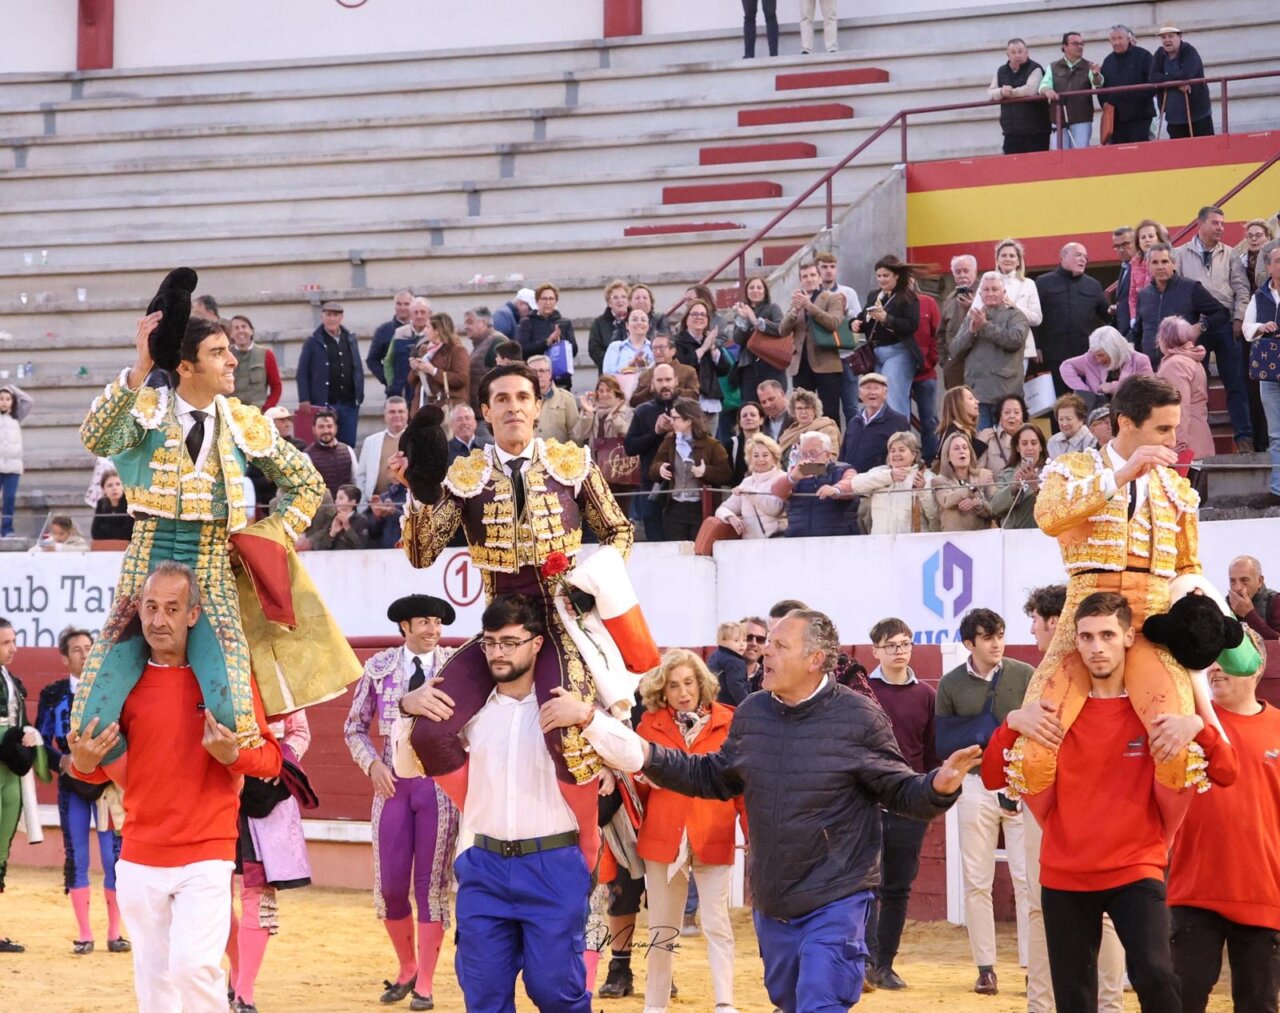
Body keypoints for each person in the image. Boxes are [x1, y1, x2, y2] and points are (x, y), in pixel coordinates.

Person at [637, 607, 979, 1012]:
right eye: (768, 643)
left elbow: (899, 789)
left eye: (780, 645)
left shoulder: (859, 717)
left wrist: (937, 786)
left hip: (838, 894)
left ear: (815, 659)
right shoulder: (753, 713)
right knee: (789, 1000)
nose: (765, 652)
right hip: (774, 899)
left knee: (820, 1001)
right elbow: (713, 775)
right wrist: (645, 754)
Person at [73, 298, 342, 772]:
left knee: (234, 719)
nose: (233, 358)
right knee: (89, 723)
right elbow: (95, 438)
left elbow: (307, 485)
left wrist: (267, 540)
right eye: (218, 352)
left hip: (212, 570)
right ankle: (140, 794)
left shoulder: (243, 421)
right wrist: (140, 367)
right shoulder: (148, 408)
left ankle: (217, 810)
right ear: (186, 365)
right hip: (146, 569)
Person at [396, 362, 636, 831]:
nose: (513, 408)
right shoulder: (464, 476)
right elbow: (422, 554)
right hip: (498, 632)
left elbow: (619, 531)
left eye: (522, 398)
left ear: (538, 407)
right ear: (486, 410)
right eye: (502, 399)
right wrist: (420, 494)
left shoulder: (574, 464)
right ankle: (487, 827)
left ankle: (583, 859)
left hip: (561, 623)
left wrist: (594, 579)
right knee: (430, 732)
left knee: (569, 734)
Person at [985, 592, 1236, 1013]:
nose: (1096, 647)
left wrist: (1198, 724)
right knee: (1074, 997)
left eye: (1106, 635)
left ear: (1127, 637)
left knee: (1157, 977)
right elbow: (993, 775)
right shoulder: (1053, 711)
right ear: (1075, 642)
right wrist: (1012, 722)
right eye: (1086, 637)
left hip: (1136, 869)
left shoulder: (1157, 710)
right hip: (1065, 875)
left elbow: (1228, 772)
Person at [404, 594, 645, 1012]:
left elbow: (635, 757)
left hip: (552, 863)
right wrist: (407, 707)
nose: (498, 653)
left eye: (510, 642)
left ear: (536, 644)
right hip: (483, 865)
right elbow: (406, 766)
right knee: (483, 996)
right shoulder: (470, 716)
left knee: (556, 993)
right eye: (491, 642)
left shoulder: (567, 709)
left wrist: (587, 717)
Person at [67, 562, 283, 1012]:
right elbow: (94, 768)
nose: (158, 620)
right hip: (141, 851)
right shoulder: (121, 687)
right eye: (150, 607)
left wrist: (233, 756)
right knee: (154, 980)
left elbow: (270, 759)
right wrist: (83, 766)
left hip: (207, 851)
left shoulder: (226, 683)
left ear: (192, 614)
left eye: (171, 608)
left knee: (193, 967)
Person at [1008, 375, 1211, 833]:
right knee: (1034, 753)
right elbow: (1048, 517)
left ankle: (1158, 849)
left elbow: (1188, 567)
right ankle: (1063, 840)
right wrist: (1121, 474)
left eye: (1174, 429)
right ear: (1125, 423)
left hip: (1154, 624)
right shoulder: (1074, 468)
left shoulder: (1179, 491)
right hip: (1085, 621)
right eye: (1162, 430)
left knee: (1178, 751)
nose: (1173, 441)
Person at [344, 595, 460, 1010]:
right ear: (404, 628)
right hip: (392, 784)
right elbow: (353, 727)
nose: (433, 630)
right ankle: (407, 966)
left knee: (431, 888)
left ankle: (425, 983)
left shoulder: (456, 666)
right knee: (392, 887)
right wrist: (372, 763)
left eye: (437, 623)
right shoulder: (378, 668)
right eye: (424, 622)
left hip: (438, 788)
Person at [1167, 634, 1279, 1013]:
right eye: (1209, 658)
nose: (1214, 667)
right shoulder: (1188, 725)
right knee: (1180, 1002)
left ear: (1256, 666)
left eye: (1226, 657)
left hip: (1264, 895)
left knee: (1258, 1005)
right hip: (1193, 891)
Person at [635, 650, 745, 1013]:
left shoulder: (731, 721)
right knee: (662, 929)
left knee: (717, 923)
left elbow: (742, 783)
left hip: (714, 829)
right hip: (664, 836)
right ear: (662, 692)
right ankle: (655, 1006)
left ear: (702, 684)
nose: (683, 692)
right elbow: (640, 790)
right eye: (673, 685)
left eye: (689, 682)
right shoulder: (649, 725)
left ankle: (725, 1003)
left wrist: (752, 831)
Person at [935, 608, 1033, 996]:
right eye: (987, 637)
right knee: (978, 880)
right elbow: (944, 745)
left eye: (1000, 635)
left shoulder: (1024, 675)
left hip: (1019, 783)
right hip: (975, 785)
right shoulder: (950, 684)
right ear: (969, 643)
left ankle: (1032, 965)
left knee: (1028, 880)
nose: (996, 643)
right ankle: (986, 967)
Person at [35, 627, 128, 956]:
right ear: (64, 657)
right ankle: (85, 933)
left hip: (106, 787)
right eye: (77, 650)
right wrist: (63, 762)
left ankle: (115, 933)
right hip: (71, 785)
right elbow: (42, 739)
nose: (85, 654)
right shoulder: (52, 694)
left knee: (111, 857)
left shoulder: (110, 690)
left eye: (89, 648)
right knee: (77, 856)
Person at [863, 618, 937, 990]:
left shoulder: (925, 695)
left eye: (905, 643)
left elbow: (929, 751)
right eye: (891, 645)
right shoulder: (864, 692)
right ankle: (866, 960)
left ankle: (884, 964)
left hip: (908, 802)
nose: (899, 651)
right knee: (864, 884)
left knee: (898, 886)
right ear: (875, 650)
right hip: (867, 803)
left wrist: (927, 798)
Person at [226, 707, 312, 1013]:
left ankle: (244, 992)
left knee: (258, 898)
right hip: (218, 788)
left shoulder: (279, 675)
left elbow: (299, 732)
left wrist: (281, 763)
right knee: (213, 897)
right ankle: (238, 975)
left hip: (266, 792)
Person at [1176, 205, 1254, 452]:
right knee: (1196, 387)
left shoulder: (1231, 254)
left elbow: (1242, 288)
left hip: (1226, 324)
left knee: (1236, 384)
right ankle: (1199, 439)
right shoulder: (1179, 254)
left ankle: (1244, 439)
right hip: (1195, 325)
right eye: (1215, 223)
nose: (1221, 228)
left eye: (1222, 223)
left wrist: (1239, 318)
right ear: (1200, 225)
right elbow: (1176, 289)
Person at [0, 617, 42, 953]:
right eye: (5, 643)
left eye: (13, 641)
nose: (13, 649)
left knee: (1, 849)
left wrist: (26, 736)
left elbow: (20, 724)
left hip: (9, 773)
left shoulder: (11, 680)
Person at [951, 273, 1031, 431]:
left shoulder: (1016, 315)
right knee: (982, 444)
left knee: (1008, 444)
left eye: (995, 289)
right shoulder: (972, 316)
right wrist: (971, 332)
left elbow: (1015, 340)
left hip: (1006, 393)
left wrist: (985, 326)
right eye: (986, 290)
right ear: (980, 294)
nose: (991, 293)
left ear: (1004, 292)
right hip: (977, 392)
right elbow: (954, 350)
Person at [1131, 243, 1229, 368]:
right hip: (1151, 370)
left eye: (1165, 261)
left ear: (1174, 263)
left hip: (1183, 366)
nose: (1160, 267)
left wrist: (1201, 327)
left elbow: (1222, 313)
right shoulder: (1144, 294)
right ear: (1148, 265)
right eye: (1155, 262)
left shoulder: (1191, 288)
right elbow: (1138, 332)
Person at [852, 256, 924, 420]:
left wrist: (887, 318)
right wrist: (855, 323)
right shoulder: (874, 295)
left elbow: (911, 325)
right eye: (879, 276)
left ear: (896, 276)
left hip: (899, 351)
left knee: (894, 399)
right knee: (877, 398)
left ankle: (901, 438)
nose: (881, 280)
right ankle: (883, 439)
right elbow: (863, 317)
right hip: (876, 352)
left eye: (886, 276)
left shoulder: (907, 297)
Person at [649, 399, 732, 541]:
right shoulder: (670, 441)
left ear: (688, 421)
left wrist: (706, 472)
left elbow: (726, 475)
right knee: (676, 550)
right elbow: (653, 468)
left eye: (675, 418)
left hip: (700, 508)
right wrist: (660, 468)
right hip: (674, 507)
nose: (672, 421)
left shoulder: (712, 445)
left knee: (699, 549)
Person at [1035, 243, 1111, 395]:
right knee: (1057, 403)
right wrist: (1036, 346)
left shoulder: (1093, 285)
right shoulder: (1043, 282)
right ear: (1063, 257)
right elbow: (1035, 317)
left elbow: (1107, 315)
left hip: (1085, 358)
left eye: (1085, 257)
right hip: (1053, 356)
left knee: (1086, 401)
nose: (1083, 259)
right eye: (1078, 255)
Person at [781, 261, 846, 424]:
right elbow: (782, 330)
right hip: (801, 363)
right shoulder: (797, 301)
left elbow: (834, 322)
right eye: (805, 276)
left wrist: (809, 306)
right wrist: (794, 311)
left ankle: (832, 445)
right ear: (800, 280)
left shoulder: (832, 298)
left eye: (812, 275)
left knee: (829, 411)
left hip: (826, 362)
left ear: (819, 278)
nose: (809, 279)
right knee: (802, 410)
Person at [625, 362, 680, 541]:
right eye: (660, 380)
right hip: (650, 484)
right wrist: (655, 433)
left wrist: (678, 430)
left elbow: (705, 440)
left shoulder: (689, 408)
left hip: (683, 485)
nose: (664, 384)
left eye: (668, 379)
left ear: (676, 381)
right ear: (652, 384)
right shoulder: (643, 410)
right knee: (655, 539)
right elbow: (630, 447)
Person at [845, 430, 937, 535]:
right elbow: (855, 485)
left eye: (901, 450)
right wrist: (889, 476)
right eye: (892, 451)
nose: (896, 454)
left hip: (914, 545)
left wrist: (923, 491)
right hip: (881, 544)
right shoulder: (880, 472)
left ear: (913, 454)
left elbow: (934, 516)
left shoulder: (927, 477)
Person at [297, 301, 362, 448]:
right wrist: (304, 398)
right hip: (323, 403)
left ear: (341, 317)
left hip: (349, 403)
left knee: (347, 445)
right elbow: (302, 372)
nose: (332, 318)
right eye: (329, 315)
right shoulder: (312, 342)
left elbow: (357, 367)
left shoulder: (351, 339)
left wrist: (359, 395)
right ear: (322, 317)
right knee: (323, 444)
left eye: (336, 315)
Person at [1245, 246, 1280, 500]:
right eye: (1278, 261)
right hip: (1271, 372)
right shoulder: (1259, 296)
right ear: (1268, 267)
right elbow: (1247, 328)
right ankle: (1278, 489)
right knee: (1276, 434)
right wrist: (1261, 326)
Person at [774, 431, 856, 538]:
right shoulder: (797, 472)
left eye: (812, 454)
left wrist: (836, 489)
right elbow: (776, 492)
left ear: (827, 455)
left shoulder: (843, 469)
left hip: (837, 538)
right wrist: (791, 479)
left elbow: (853, 483)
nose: (808, 458)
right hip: (798, 539)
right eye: (803, 454)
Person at [1155, 316, 1215, 458]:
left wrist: (1176, 443)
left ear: (1164, 338)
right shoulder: (1191, 359)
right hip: (1198, 438)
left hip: (1185, 446)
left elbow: (1179, 407)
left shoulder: (1175, 364)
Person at [671, 298, 732, 436]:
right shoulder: (678, 341)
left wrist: (713, 350)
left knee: (709, 445)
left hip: (710, 400)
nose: (699, 317)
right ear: (686, 319)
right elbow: (684, 366)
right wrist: (703, 348)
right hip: (688, 400)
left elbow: (724, 370)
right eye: (695, 314)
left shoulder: (709, 340)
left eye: (703, 315)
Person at [1060, 324, 1154, 406]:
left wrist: (1113, 387)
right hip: (1097, 414)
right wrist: (1085, 391)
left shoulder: (1140, 360)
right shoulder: (1091, 358)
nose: (1098, 359)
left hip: (1131, 410)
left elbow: (1147, 390)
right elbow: (1065, 366)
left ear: (1113, 350)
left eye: (1101, 355)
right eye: (1096, 354)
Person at [715, 433, 786, 540]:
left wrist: (748, 492)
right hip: (749, 544)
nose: (761, 459)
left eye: (765, 455)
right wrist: (731, 517)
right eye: (756, 456)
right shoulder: (746, 482)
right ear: (750, 459)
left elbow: (775, 509)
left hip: (776, 542)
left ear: (774, 457)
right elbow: (722, 509)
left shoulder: (783, 478)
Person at [1039, 31, 1103, 149]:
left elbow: (1098, 83)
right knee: (1058, 156)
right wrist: (1047, 90)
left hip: (1081, 119)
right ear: (1064, 46)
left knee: (1080, 156)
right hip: (1058, 119)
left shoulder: (1089, 66)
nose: (1080, 47)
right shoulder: (1052, 67)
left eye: (1081, 44)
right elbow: (1043, 85)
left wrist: (1096, 75)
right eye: (1075, 44)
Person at [728, 276, 785, 407]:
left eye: (759, 287)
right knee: (750, 404)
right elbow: (737, 339)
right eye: (751, 287)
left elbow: (781, 328)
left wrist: (756, 322)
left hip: (771, 364)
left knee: (774, 405)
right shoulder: (742, 311)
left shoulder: (772, 308)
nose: (755, 290)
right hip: (749, 366)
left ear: (765, 291)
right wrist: (744, 320)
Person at [988, 38, 1051, 154]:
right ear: (1008, 55)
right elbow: (991, 92)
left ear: (1027, 53)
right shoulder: (1001, 71)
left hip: (1036, 132)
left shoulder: (1035, 68)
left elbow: (1030, 90)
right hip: (1011, 132)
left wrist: (1010, 93)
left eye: (1020, 51)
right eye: (1013, 52)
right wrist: (1002, 92)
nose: (1017, 55)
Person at [839, 372, 910, 473]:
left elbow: (906, 457)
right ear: (860, 394)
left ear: (885, 394)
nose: (872, 392)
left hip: (882, 483)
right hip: (852, 483)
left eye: (876, 388)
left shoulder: (898, 421)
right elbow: (843, 457)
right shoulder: (854, 422)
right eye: (867, 388)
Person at [1150, 25, 1212, 137]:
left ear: (1180, 37)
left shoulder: (1189, 51)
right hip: (1173, 117)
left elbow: (1187, 74)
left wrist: (1167, 80)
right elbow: (1153, 77)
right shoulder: (1160, 54)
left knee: (1204, 149)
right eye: (1163, 37)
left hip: (1197, 115)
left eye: (1171, 36)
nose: (1167, 40)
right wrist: (1176, 84)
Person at [405, 313, 470, 415]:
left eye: (427, 327)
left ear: (437, 331)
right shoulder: (425, 350)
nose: (424, 330)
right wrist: (416, 369)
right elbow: (411, 381)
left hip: (446, 408)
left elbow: (461, 379)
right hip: (422, 406)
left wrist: (433, 371)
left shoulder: (457, 351)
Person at [1099, 25, 1155, 143]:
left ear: (1128, 39)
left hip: (1140, 115)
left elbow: (1153, 82)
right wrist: (1105, 104)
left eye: (1120, 38)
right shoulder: (1108, 61)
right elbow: (1102, 88)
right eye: (1113, 39)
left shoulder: (1143, 55)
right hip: (1117, 119)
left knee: (1140, 152)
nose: (1117, 42)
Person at [517, 283, 577, 389]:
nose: (548, 302)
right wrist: (546, 342)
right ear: (537, 301)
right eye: (544, 299)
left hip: (560, 380)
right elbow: (523, 349)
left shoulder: (565, 323)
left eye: (551, 299)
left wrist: (561, 342)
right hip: (534, 379)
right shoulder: (527, 322)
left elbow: (574, 350)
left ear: (556, 301)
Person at [932, 431, 993, 532]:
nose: (962, 451)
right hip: (953, 542)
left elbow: (994, 509)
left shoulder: (983, 475)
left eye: (965, 448)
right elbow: (947, 501)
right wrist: (973, 487)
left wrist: (978, 504)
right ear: (947, 457)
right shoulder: (939, 480)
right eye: (956, 448)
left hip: (981, 540)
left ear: (970, 452)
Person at [993, 238, 1042, 365]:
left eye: (1012, 255)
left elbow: (1037, 318)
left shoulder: (1028, 284)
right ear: (997, 260)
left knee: (1016, 385)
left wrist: (1015, 307)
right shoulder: (987, 282)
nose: (1007, 259)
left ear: (1019, 261)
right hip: (994, 346)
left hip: (1021, 347)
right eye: (1003, 255)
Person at [991, 424, 1048, 529]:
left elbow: (1054, 508)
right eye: (1024, 443)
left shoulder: (1051, 473)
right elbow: (994, 507)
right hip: (1011, 538)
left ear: (1041, 447)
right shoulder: (1006, 473)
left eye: (1034, 443)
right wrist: (1014, 487)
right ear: (1017, 447)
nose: (1029, 448)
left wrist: (1035, 486)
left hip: (1039, 537)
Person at [356, 397, 410, 505]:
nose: (396, 415)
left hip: (408, 504)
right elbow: (361, 476)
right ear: (385, 415)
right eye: (392, 412)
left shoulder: (419, 439)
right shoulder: (371, 441)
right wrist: (363, 504)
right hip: (375, 505)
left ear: (407, 414)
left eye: (400, 411)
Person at [912, 287, 942, 463]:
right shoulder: (889, 302)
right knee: (899, 418)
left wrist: (930, 361)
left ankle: (932, 459)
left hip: (926, 372)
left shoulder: (928, 302)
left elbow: (937, 335)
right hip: (900, 373)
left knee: (929, 419)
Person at [939, 255, 979, 389]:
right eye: (958, 271)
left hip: (980, 364)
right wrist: (944, 361)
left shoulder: (985, 293)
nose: (962, 275)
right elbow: (940, 334)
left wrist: (973, 306)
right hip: (954, 364)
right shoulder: (949, 300)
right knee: (957, 407)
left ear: (975, 271)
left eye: (966, 271)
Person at [227, 315, 281, 411]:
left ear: (251, 331)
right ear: (231, 334)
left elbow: (276, 387)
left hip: (258, 414)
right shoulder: (225, 354)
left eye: (244, 327)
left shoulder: (266, 354)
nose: (240, 331)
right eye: (236, 328)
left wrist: (266, 409)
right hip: (230, 413)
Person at [1125, 220, 1170, 333]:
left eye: (1151, 236)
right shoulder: (1135, 262)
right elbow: (1133, 294)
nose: (1147, 240)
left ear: (1158, 238)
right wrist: (1133, 317)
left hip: (1164, 315)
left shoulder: (1169, 258)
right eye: (1143, 237)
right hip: (1143, 316)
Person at [630, 333, 699, 407]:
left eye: (662, 347)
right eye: (654, 348)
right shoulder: (645, 375)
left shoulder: (688, 371)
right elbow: (633, 402)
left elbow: (694, 396)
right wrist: (650, 390)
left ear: (673, 351)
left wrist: (673, 391)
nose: (658, 352)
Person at [385, 297, 434, 399]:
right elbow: (388, 361)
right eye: (416, 312)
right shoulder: (399, 333)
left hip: (424, 391)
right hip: (401, 390)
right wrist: (391, 384)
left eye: (423, 312)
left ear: (430, 314)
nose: (419, 316)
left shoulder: (435, 335)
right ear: (410, 315)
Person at [778, 387, 841, 466]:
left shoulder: (827, 429)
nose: (803, 412)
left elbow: (832, 457)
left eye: (807, 408)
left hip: (816, 473)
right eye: (799, 408)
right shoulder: (788, 432)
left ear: (815, 410)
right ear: (794, 411)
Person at [0, 384, 31, 538]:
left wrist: (11, 387)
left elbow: (28, 401)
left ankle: (7, 530)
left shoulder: (17, 416)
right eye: (1, 399)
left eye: (7, 399)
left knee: (9, 499)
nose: (4, 402)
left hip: (13, 468)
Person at [528, 354, 581, 445]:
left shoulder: (566, 398)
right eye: (534, 371)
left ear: (550, 373)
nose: (538, 375)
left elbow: (575, 434)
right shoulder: (522, 400)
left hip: (559, 457)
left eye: (542, 370)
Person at [367, 290, 414, 389]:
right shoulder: (383, 330)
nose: (402, 307)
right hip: (396, 390)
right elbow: (372, 360)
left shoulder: (424, 329)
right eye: (399, 304)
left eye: (406, 304)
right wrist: (389, 380)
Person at [1227, 555, 1280, 641]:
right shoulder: (1224, 606)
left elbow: (1277, 644)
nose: (1237, 588)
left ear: (1260, 581)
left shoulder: (1275, 602)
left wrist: (1249, 615)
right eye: (1232, 581)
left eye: (1244, 580)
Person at [305, 408, 357, 495]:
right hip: (323, 507)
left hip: (348, 506)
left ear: (336, 428)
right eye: (321, 427)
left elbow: (356, 480)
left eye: (329, 426)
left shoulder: (348, 450)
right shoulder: (306, 456)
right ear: (314, 429)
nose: (326, 431)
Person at [464, 306, 504, 416]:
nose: (466, 327)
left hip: (489, 414)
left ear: (483, 322)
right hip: (481, 412)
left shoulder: (496, 342)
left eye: (470, 322)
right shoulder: (480, 345)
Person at [935, 384, 987, 465]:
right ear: (958, 404)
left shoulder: (966, 431)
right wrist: (982, 441)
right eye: (970, 398)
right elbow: (962, 464)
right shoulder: (953, 434)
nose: (977, 401)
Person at [588, 279, 632, 372]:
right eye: (615, 297)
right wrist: (615, 362)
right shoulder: (599, 323)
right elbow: (594, 351)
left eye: (624, 297)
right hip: (609, 375)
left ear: (628, 301)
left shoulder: (636, 320)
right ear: (609, 303)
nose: (620, 301)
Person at [976, 394, 1028, 474]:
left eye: (1016, 412)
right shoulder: (988, 438)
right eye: (1007, 412)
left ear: (1022, 416)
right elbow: (978, 471)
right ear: (1000, 417)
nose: (1012, 416)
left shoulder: (1032, 436)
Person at [310, 484, 370, 550]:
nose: (336, 501)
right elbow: (321, 548)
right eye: (336, 498)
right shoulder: (333, 519)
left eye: (341, 498)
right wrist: (332, 533)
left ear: (352, 502)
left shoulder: (361, 520)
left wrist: (347, 527)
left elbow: (361, 546)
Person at [601, 308, 655, 381]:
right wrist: (628, 367)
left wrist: (644, 368)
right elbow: (608, 375)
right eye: (634, 320)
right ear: (627, 325)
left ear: (648, 326)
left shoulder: (654, 347)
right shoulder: (616, 347)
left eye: (643, 320)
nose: (639, 323)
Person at [708, 622, 750, 707]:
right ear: (722, 642)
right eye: (736, 640)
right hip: (730, 704)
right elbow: (736, 686)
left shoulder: (715, 655)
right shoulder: (735, 662)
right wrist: (747, 705)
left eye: (744, 640)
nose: (742, 644)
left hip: (716, 701)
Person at [1046, 393, 1098, 458]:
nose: (1064, 423)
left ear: (1081, 419)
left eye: (1068, 419)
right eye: (1061, 419)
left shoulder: (1092, 440)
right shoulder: (1053, 442)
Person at [726, 400, 764, 485]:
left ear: (761, 420)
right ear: (739, 421)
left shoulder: (770, 443)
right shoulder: (731, 444)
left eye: (753, 415)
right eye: (744, 416)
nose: (748, 418)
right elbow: (726, 475)